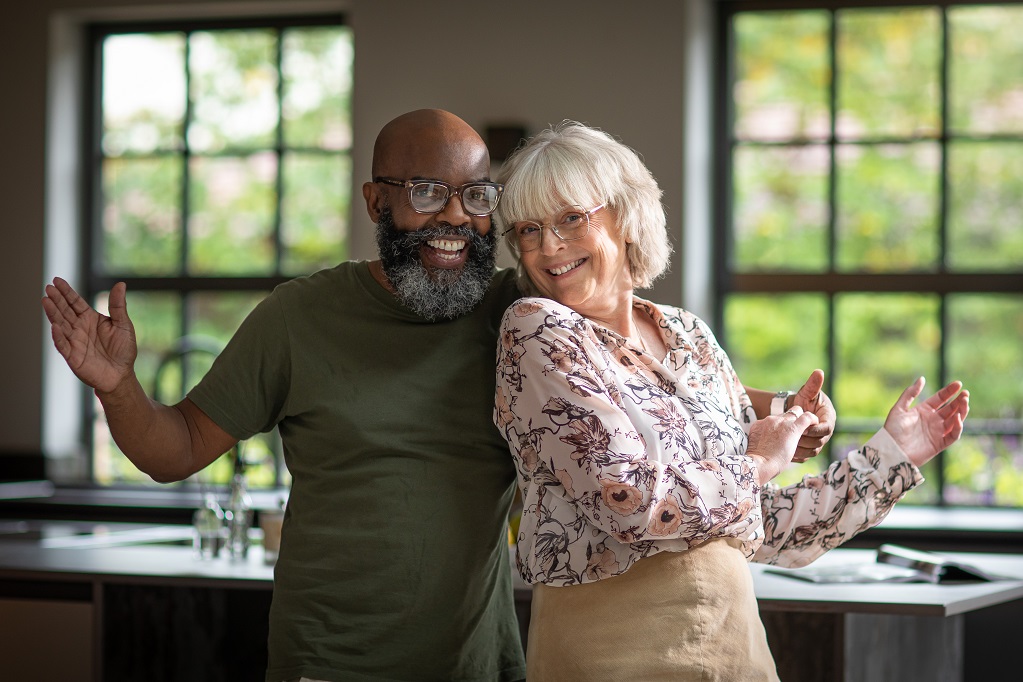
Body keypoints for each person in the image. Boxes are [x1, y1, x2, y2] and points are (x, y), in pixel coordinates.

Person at [43, 108, 830, 681]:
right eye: (425, 191)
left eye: (476, 196)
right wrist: (119, 388)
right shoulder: (298, 317)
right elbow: (174, 450)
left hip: (481, 663)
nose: (455, 216)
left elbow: (634, 379)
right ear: (374, 201)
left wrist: (774, 410)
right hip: (332, 664)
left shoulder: (517, 317)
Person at [491, 121, 970, 681]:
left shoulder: (691, 336)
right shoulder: (537, 330)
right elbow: (626, 501)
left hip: (735, 652)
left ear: (625, 216)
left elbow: (763, 522)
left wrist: (893, 456)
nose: (549, 246)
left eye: (571, 218)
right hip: (610, 657)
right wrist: (760, 460)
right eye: (528, 230)